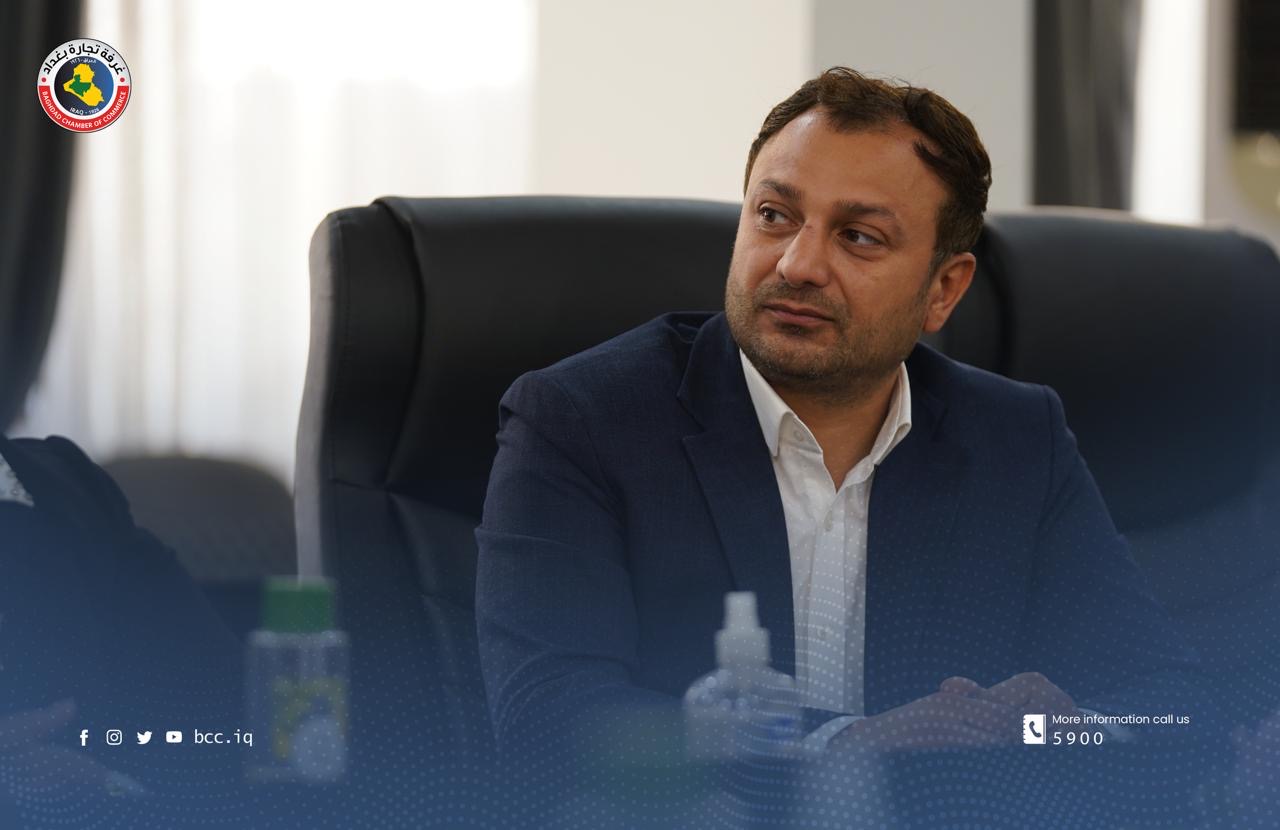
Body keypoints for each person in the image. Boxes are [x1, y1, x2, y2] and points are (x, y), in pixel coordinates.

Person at [474, 67, 1210, 770]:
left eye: (858, 236)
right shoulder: (583, 420)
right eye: (774, 216)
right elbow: (548, 720)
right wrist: (843, 743)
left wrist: (1039, 733)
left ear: (943, 291)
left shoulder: (1017, 440)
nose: (797, 264)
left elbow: (1176, 713)